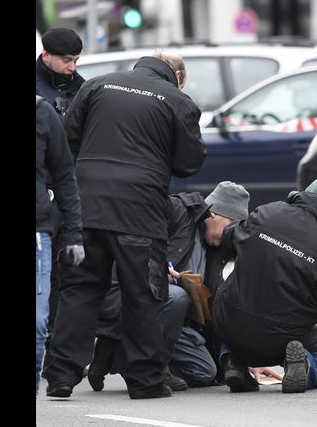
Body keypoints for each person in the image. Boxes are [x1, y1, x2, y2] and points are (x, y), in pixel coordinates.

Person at [45, 51, 207, 400]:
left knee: (79, 290)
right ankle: (145, 382)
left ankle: (60, 376)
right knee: (143, 295)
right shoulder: (178, 100)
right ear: (177, 76)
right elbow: (189, 163)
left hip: (86, 205)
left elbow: (68, 137)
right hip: (140, 212)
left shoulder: (97, 85)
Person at [86, 181, 251, 391]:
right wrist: (158, 266)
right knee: (177, 296)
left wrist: (245, 360)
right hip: (139, 298)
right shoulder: (177, 210)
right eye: (230, 226)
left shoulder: (218, 248)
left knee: (205, 373)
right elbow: (131, 238)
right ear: (213, 215)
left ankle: (118, 352)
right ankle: (153, 369)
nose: (231, 234)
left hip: (177, 322)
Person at [212, 175, 317, 394]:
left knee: (230, 303)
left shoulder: (269, 212)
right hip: (287, 334)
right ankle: (303, 364)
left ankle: (233, 361)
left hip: (231, 321)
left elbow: (227, 241)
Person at [36, 27, 86, 380]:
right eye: (66, 60)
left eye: (75, 61)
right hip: (43, 191)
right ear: (46, 55)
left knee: (64, 275)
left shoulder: (82, 87)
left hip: (66, 188)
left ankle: (57, 348)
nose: (71, 67)